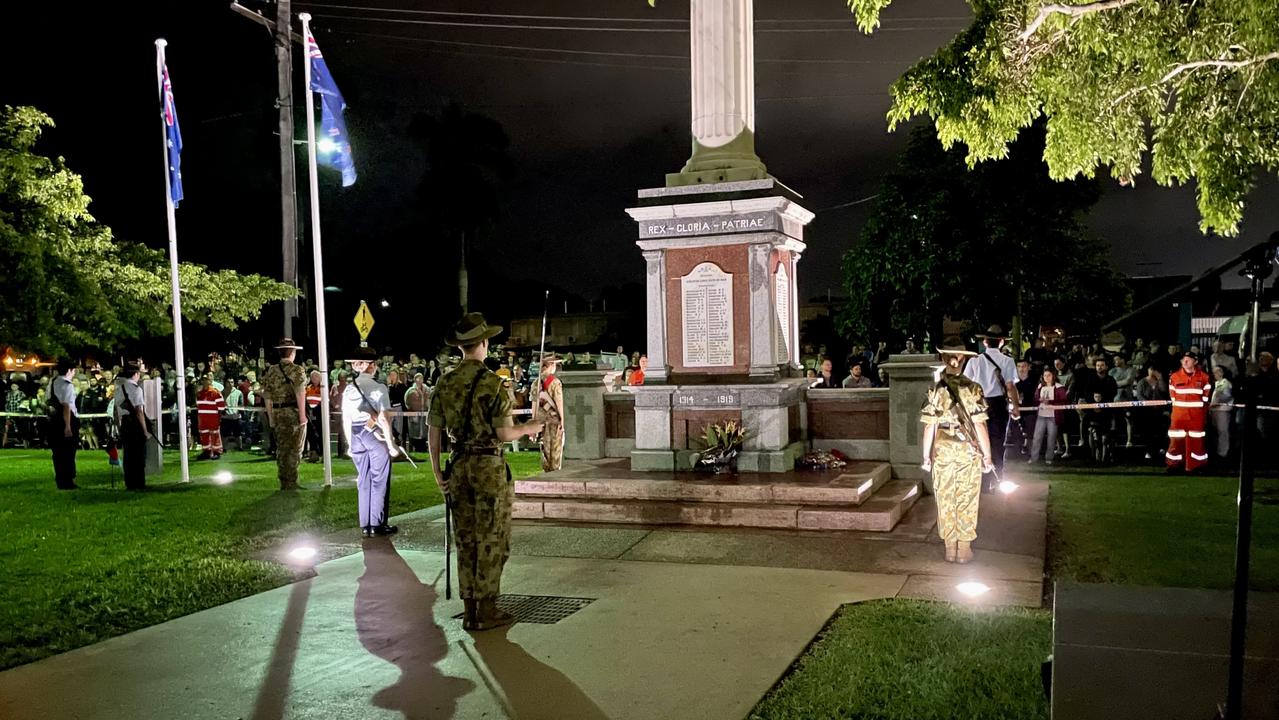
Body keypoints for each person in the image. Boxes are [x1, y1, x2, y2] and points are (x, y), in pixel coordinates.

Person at [429, 313, 543, 631]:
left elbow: (433, 433)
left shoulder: (445, 382)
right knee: (492, 538)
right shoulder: (493, 383)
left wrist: (438, 471)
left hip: (459, 465)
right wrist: (529, 427)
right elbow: (504, 434)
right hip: (489, 467)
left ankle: (469, 610)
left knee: (466, 539)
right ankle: (487, 608)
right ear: (484, 343)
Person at [920, 337, 993, 564]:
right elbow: (980, 424)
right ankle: (964, 548)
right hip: (968, 449)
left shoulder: (935, 389)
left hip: (942, 449)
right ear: (962, 360)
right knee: (967, 497)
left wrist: (925, 456)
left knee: (945, 497)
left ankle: (949, 548)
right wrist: (988, 456)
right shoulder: (973, 389)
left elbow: (929, 425)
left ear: (943, 359)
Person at [343, 346, 400, 537]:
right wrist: (391, 445)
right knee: (379, 479)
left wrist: (350, 444)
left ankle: (365, 524)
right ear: (372, 366)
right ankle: (377, 523)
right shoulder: (378, 388)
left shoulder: (349, 389)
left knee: (363, 480)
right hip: (373, 435)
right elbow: (383, 418)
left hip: (356, 434)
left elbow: (346, 418)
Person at [964, 325, 1020, 491]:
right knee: (997, 442)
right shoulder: (1007, 361)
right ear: (1001, 342)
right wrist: (1015, 406)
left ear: (985, 342)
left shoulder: (975, 361)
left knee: (979, 441)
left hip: (979, 404)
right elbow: (1010, 386)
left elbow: (966, 385)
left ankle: (981, 480)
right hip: (998, 404)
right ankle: (996, 479)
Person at [262, 338, 308, 490]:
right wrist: (302, 415)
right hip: (292, 413)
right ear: (293, 352)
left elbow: (267, 396)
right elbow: (300, 393)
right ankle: (291, 481)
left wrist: (271, 417)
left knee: (282, 448)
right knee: (295, 448)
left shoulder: (271, 371)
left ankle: (284, 480)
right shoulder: (297, 370)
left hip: (277, 412)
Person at [1166, 351, 1212, 472]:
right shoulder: (1174, 377)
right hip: (1179, 416)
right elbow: (1173, 397)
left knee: (1197, 442)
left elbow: (1206, 399)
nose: (1185, 362)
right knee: (1175, 441)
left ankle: (1197, 465)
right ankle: (1174, 465)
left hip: (1196, 417)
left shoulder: (1204, 378)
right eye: (1183, 360)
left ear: (1195, 362)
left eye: (1188, 359)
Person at [116, 363, 151, 490]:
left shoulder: (119, 389)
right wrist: (145, 430)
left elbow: (116, 409)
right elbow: (139, 411)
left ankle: (129, 482)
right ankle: (139, 482)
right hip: (135, 424)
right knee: (138, 455)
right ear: (136, 374)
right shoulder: (136, 389)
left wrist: (119, 427)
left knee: (128, 455)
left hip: (125, 423)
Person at [48, 360, 80, 489]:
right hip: (67, 418)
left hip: (55, 419)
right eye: (73, 370)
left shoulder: (53, 382)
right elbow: (66, 406)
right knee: (68, 451)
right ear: (69, 370)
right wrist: (68, 426)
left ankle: (61, 479)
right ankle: (67, 480)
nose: (74, 373)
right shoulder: (67, 385)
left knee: (58, 451)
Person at [1028, 367, 1068, 464]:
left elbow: (1064, 401)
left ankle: (1049, 458)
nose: (1047, 377)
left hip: (1053, 416)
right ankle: (1034, 457)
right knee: (1037, 436)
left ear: (1053, 376)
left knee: (1051, 437)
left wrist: (1050, 402)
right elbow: (1035, 399)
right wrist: (1039, 401)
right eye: (1045, 375)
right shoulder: (1040, 387)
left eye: (1049, 375)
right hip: (1041, 415)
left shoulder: (1059, 387)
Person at [537, 354, 565, 471]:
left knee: (545, 451)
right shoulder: (554, 382)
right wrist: (562, 420)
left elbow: (534, 403)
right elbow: (559, 402)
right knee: (555, 452)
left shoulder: (536, 382)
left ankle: (546, 473)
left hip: (541, 420)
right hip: (553, 420)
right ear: (551, 365)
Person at [195, 376, 226, 460]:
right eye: (203, 380)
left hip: (213, 418)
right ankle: (206, 451)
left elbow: (221, 407)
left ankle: (217, 452)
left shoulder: (215, 392)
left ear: (210, 381)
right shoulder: (199, 393)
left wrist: (218, 417)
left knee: (215, 434)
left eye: (207, 379)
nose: (205, 381)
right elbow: (197, 405)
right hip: (202, 418)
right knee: (204, 434)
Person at [1209, 365, 1233, 461]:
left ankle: (1223, 453)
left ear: (1222, 372)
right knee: (1217, 432)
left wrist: (1216, 401)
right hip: (1214, 411)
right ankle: (1217, 451)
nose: (1215, 373)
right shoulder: (1215, 384)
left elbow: (1226, 396)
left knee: (1223, 432)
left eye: (1218, 371)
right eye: (1214, 371)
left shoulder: (1225, 383)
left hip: (1222, 410)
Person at [404, 373, 430, 452]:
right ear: (415, 380)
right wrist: (411, 409)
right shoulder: (411, 390)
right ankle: (414, 449)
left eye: (421, 378)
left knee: (424, 432)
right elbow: (406, 401)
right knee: (414, 432)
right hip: (414, 415)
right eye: (418, 378)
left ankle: (423, 448)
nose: (420, 380)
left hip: (424, 415)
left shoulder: (427, 390)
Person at [304, 370, 324, 463]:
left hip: (320, 414)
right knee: (311, 435)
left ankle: (322, 454)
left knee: (320, 435)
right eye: (312, 377)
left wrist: (315, 411)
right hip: (310, 414)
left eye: (315, 377)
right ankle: (313, 454)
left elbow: (324, 401)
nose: (313, 379)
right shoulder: (308, 388)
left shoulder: (323, 388)